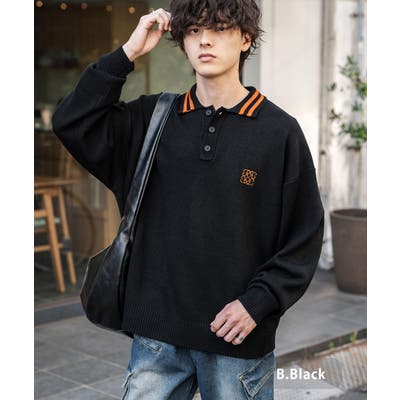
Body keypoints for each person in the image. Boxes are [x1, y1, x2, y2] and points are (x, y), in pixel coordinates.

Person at [52, 1, 324, 399]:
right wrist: (128, 53)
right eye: (194, 31)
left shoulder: (279, 132)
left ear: (246, 38)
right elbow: (72, 120)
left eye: (219, 28)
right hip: (156, 338)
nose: (204, 40)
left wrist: (258, 303)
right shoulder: (152, 119)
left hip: (235, 338)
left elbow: (304, 235)